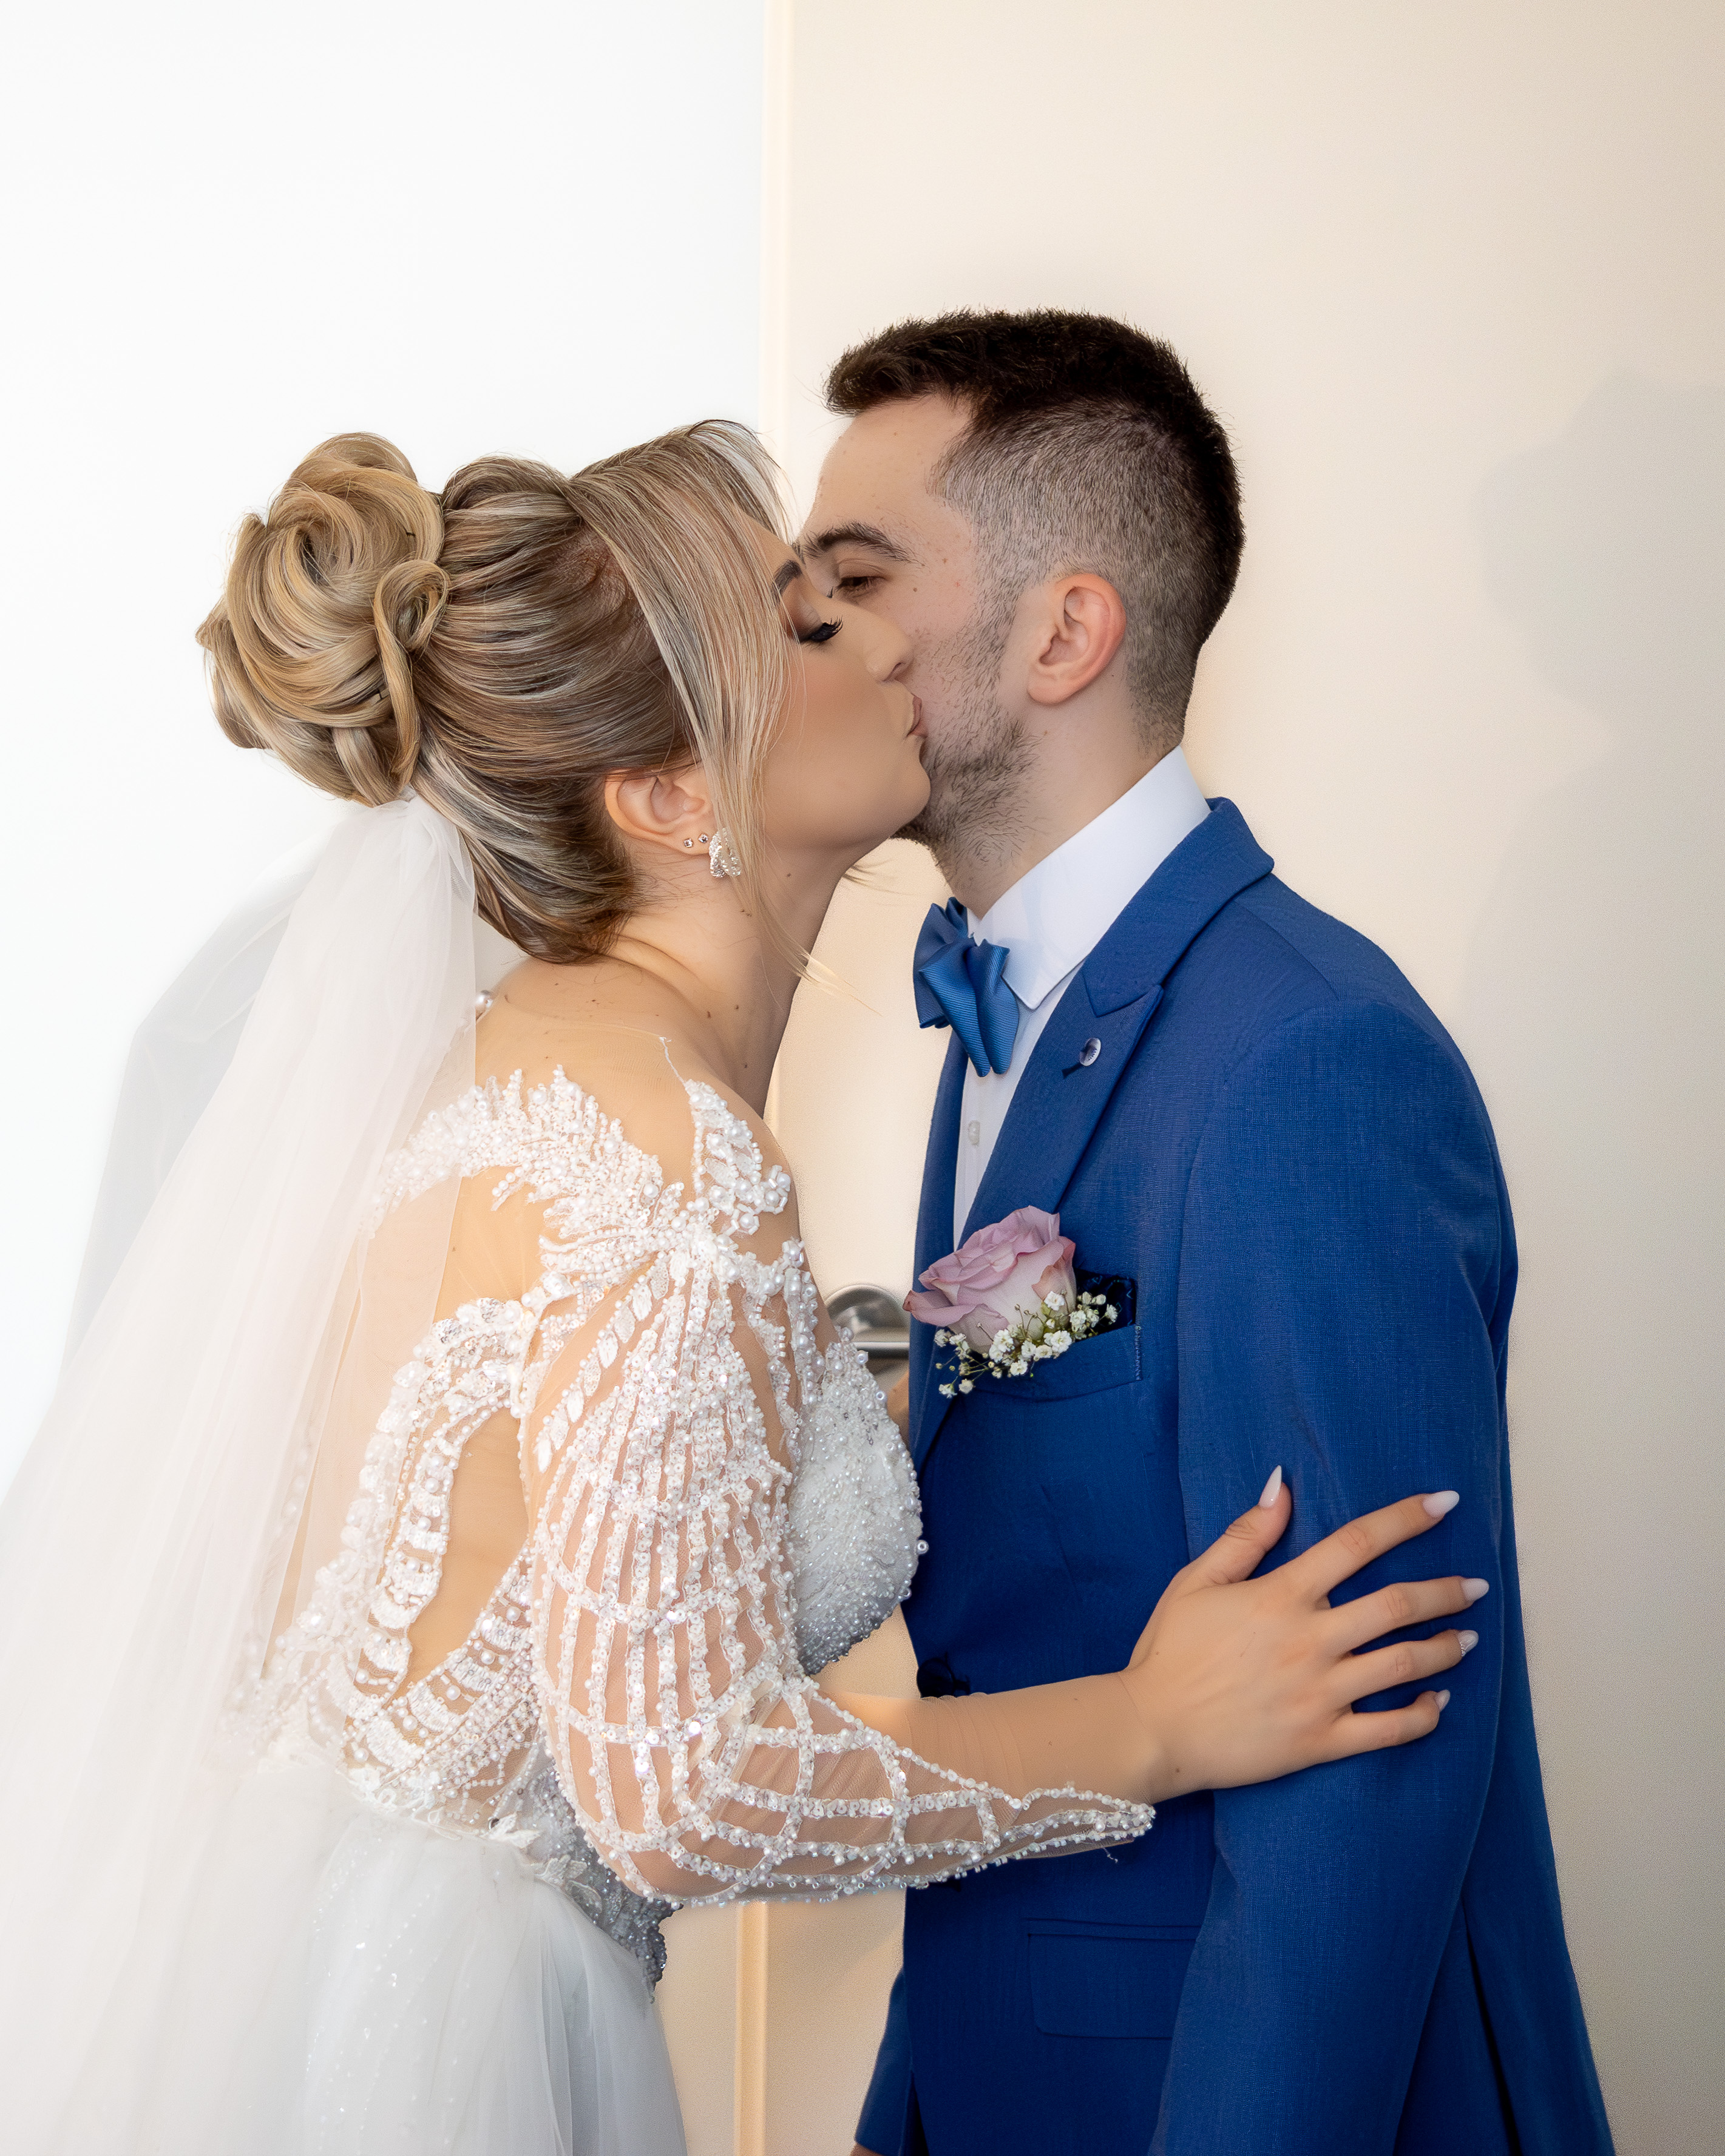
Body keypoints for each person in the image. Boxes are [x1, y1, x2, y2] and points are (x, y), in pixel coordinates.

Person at [0, 422, 1483, 2155]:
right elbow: (680, 1790)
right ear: (670, 797)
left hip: (309, 1980)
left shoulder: (508, 1070)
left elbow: (600, 1498)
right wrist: (1149, 1727)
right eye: (800, 622)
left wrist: (924, 1357)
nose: (878, 641)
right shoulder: (667, 1160)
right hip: (448, 2046)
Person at [799, 311, 1615, 2156]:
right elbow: (1012, 1608)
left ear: (1063, 633)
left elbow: (1368, 1765)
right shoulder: (1013, 1009)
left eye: (855, 580)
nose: (813, 638)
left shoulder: (1305, 1063)